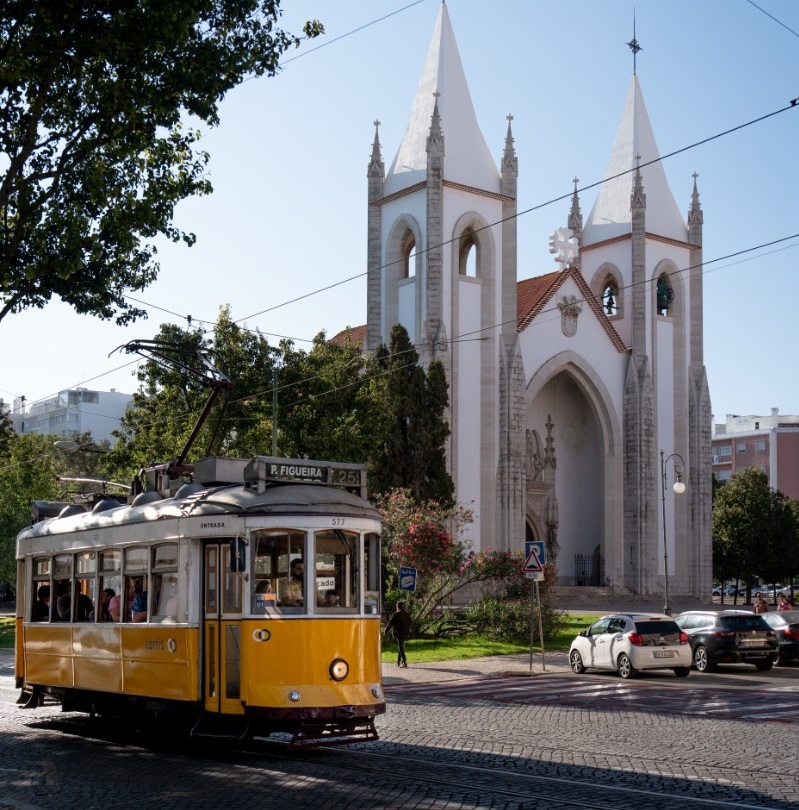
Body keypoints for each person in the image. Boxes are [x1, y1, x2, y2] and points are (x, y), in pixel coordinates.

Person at [385, 601, 412, 668]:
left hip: (398, 633)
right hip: (405, 633)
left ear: (397, 607)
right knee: (400, 647)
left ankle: (404, 662)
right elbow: (410, 623)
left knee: (401, 647)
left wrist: (386, 630)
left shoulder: (396, 614)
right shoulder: (407, 614)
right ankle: (398, 662)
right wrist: (408, 631)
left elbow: (390, 623)